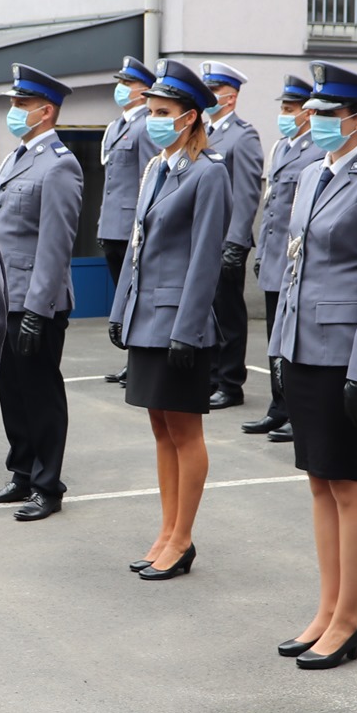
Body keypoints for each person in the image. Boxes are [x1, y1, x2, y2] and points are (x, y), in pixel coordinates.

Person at [267, 64, 357, 669]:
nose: (317, 122)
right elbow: (294, 265)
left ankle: (349, 618)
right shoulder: (308, 175)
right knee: (319, 482)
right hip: (302, 347)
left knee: (348, 485)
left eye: (329, 115)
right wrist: (278, 344)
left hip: (344, 354)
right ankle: (326, 608)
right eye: (316, 113)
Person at [108, 60, 231, 581]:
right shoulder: (158, 168)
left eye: (162, 112)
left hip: (180, 323)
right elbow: (137, 250)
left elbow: (206, 259)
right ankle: (165, 530)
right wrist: (119, 311)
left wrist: (187, 328)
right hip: (146, 317)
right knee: (161, 428)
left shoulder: (209, 174)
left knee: (184, 430)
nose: (151, 119)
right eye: (150, 109)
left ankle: (182, 539)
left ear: (189, 118)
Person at [0, 63, 83, 523]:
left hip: (36, 302)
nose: (14, 111)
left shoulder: (60, 165)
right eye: (14, 103)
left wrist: (38, 309)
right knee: (11, 390)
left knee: (40, 392)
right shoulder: (16, 157)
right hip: (7, 295)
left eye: (22, 105)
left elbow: (55, 244)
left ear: (46, 111)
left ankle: (47, 483)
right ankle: (22, 471)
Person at [244, 75, 320, 440]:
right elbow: (272, 206)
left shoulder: (315, 151)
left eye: (289, 110)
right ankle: (278, 406)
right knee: (274, 339)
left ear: (307, 113)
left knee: (292, 340)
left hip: (297, 261)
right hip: (275, 256)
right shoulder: (283, 148)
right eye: (283, 109)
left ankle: (296, 410)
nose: (283, 115)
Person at [202, 60, 263, 410]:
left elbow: (246, 193)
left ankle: (230, 382)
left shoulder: (243, 136)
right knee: (206, 312)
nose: (208, 97)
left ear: (231, 97)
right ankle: (210, 377)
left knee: (228, 315)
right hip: (205, 240)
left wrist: (237, 242)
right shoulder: (205, 133)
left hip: (227, 241)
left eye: (213, 91)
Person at [97, 56, 157, 384]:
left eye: (127, 83)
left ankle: (136, 361)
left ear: (143, 90)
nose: (120, 89)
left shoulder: (145, 124)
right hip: (112, 225)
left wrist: (140, 225)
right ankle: (130, 360)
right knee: (124, 299)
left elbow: (146, 178)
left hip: (130, 227)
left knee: (136, 295)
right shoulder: (117, 126)